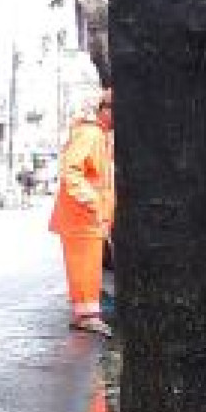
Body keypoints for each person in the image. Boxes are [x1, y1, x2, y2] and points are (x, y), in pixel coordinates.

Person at [51, 90, 116, 336]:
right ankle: (87, 316)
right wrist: (92, 202)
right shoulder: (90, 134)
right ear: (104, 110)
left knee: (87, 268)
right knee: (85, 267)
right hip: (82, 216)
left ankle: (86, 315)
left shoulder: (98, 135)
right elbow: (71, 170)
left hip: (87, 217)